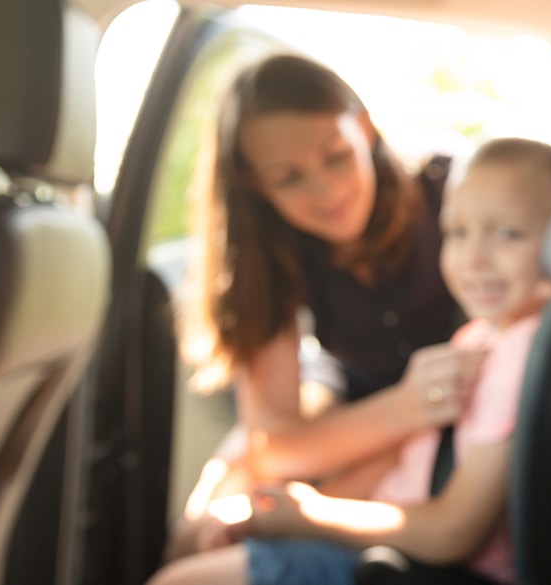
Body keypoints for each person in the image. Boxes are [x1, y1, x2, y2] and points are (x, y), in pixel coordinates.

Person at [148, 137, 551, 585]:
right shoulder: (482, 337)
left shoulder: (523, 355)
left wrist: (313, 517)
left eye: (508, 233)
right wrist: (289, 512)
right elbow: (418, 449)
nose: (473, 258)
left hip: (426, 563)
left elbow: (453, 532)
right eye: (457, 232)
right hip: (390, 537)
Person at [166, 54, 487, 560]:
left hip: (458, 400)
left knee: (250, 533)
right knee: (200, 523)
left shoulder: (449, 191)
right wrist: (401, 407)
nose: (326, 191)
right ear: (254, 184)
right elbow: (272, 440)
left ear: (364, 127)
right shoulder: (267, 251)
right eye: (288, 178)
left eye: (336, 156)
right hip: (364, 397)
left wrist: (311, 502)